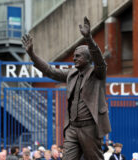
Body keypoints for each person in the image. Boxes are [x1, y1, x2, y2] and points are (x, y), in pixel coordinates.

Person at [22, 16, 111, 160]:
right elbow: (49, 70)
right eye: (74, 56)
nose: (74, 58)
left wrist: (88, 38)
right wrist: (32, 54)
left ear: (88, 59)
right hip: (72, 128)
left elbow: (100, 62)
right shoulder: (71, 74)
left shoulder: (97, 74)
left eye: (78, 56)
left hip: (89, 128)